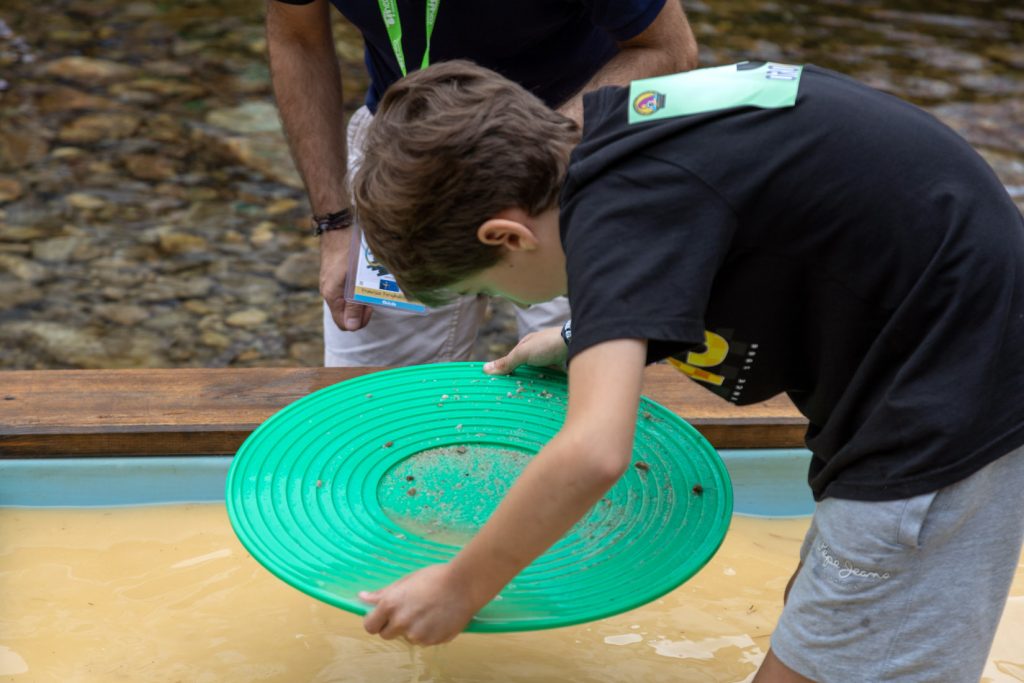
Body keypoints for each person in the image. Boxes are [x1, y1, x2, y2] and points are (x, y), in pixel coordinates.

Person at [349, 60, 1024, 682]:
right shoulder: (620, 138)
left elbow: (592, 452)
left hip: (953, 391)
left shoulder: (617, 217)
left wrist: (462, 584)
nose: (514, 304)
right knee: (823, 613)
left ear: (507, 236)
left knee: (847, 637)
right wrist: (588, 335)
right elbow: (714, 222)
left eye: (493, 289)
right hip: (947, 337)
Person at [265, 0, 698, 366]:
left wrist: (534, 158)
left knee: (583, 388)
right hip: (401, 158)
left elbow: (669, 49)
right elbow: (296, 39)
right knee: (373, 407)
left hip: (570, 154)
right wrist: (335, 223)